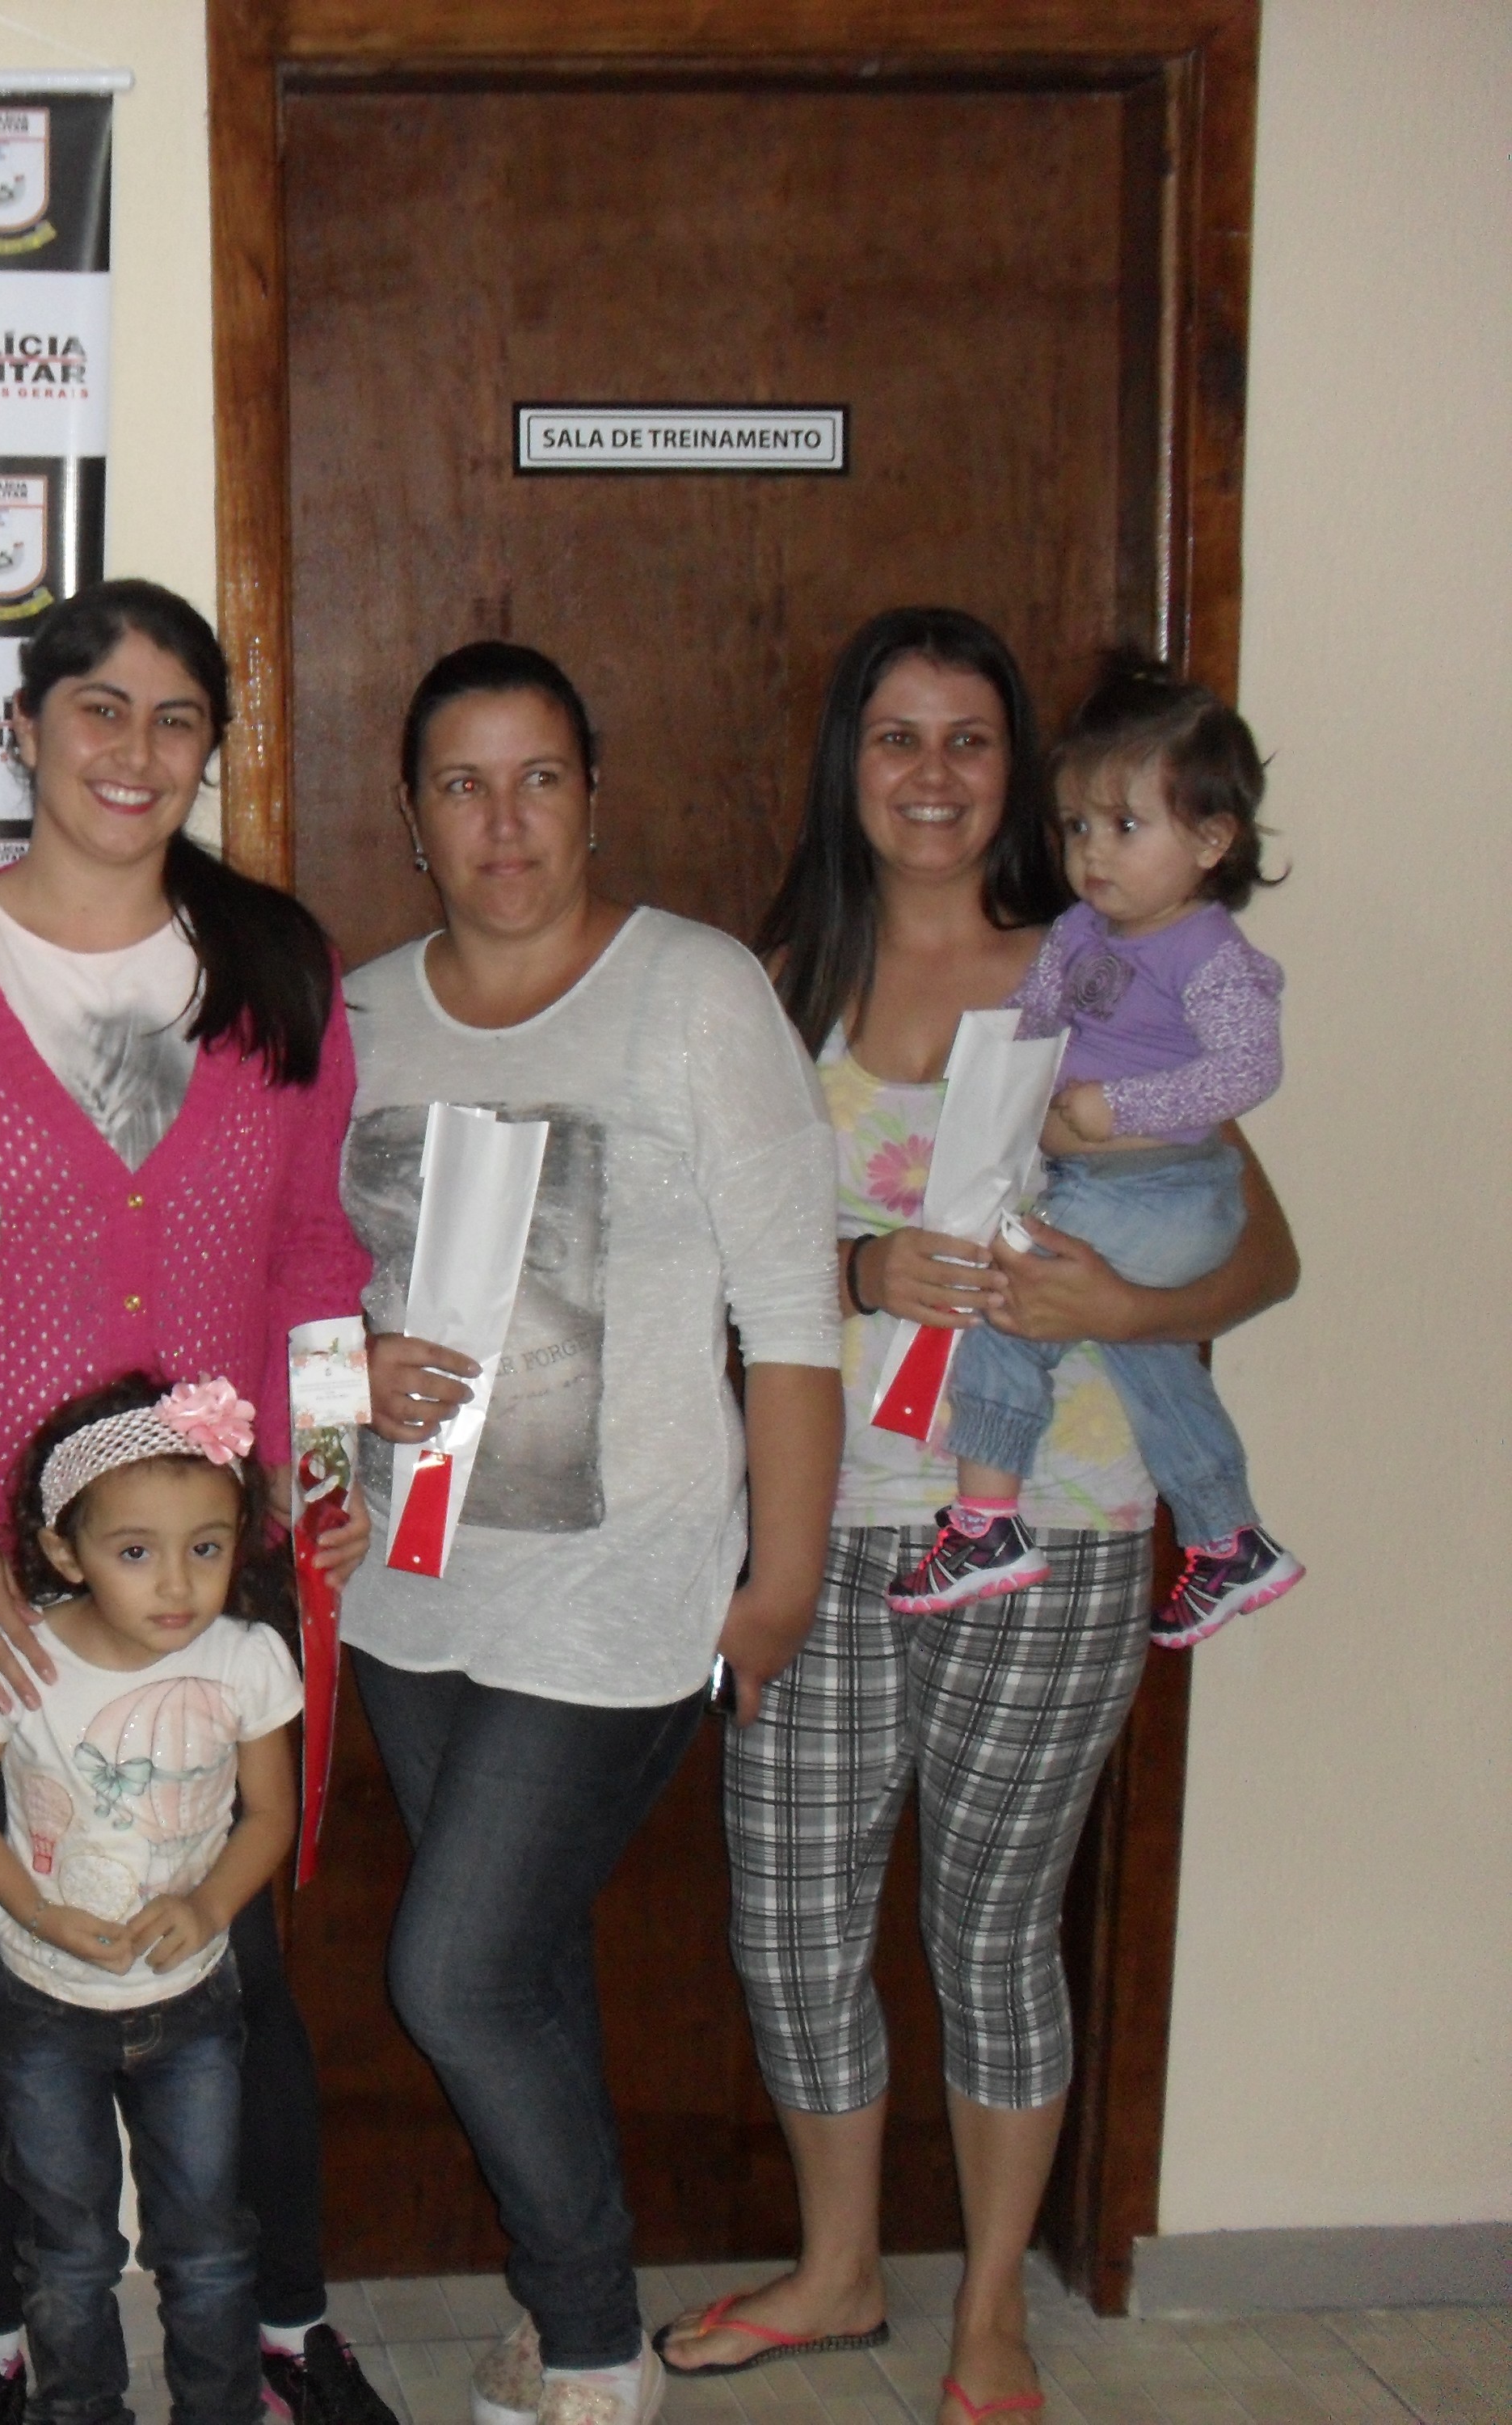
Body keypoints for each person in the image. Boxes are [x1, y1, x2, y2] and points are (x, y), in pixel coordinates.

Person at [657, 609, 1298, 2425]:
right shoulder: (775, 985)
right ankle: (840, 2268)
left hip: (1059, 1517)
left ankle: (992, 2307)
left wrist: (1128, 1304)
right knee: (791, 1923)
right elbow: (693, 1256)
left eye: (968, 740)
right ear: (845, 764)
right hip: (818, 1515)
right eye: (896, 737)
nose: (930, 775)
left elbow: (1261, 1251)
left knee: (992, 1927)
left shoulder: (1101, 965)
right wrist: (858, 1264)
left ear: (1017, 773)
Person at [0, 580, 392, 2425]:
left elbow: (315, 1254)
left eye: (175, 718)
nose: (134, 752)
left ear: (209, 744)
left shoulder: (275, 965)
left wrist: (314, 1476)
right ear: (26, 727)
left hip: (209, 1566)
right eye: (98, 709)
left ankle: (280, 2327)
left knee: (241, 1947)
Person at [343, 642, 842, 2425]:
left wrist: (780, 1582)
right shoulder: (355, 1016)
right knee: (520, 1964)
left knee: (454, 1970)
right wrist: (344, 1371)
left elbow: (794, 1312)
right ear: (413, 817)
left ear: (592, 798)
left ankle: (583, 2344)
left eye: (539, 779)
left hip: (623, 1585)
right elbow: (299, 1296)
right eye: (463, 785)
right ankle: (587, 2309)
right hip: (405, 1589)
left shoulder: (692, 993)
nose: (504, 823)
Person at [892, 660, 1298, 1645]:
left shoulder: (1208, 954)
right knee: (1143, 1353)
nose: (1091, 855)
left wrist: (1117, 1108)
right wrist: (1006, 1073)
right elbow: (1035, 1013)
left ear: (1210, 839)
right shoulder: (1080, 930)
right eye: (1076, 827)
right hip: (1099, 1181)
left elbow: (1249, 1068)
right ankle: (1227, 1537)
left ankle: (986, 1521)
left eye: (1123, 826)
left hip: (1167, 1188)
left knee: (1007, 1292)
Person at [0, 1373, 301, 2425]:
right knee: (69, 2251)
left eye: (206, 1547)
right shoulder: (23, 1656)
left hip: (192, 2007)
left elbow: (269, 1816)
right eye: (135, 1551)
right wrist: (37, 1913)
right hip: (44, 2009)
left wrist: (207, 1909)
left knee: (206, 2244)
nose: (177, 1584)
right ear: (66, 1553)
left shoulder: (246, 1658)